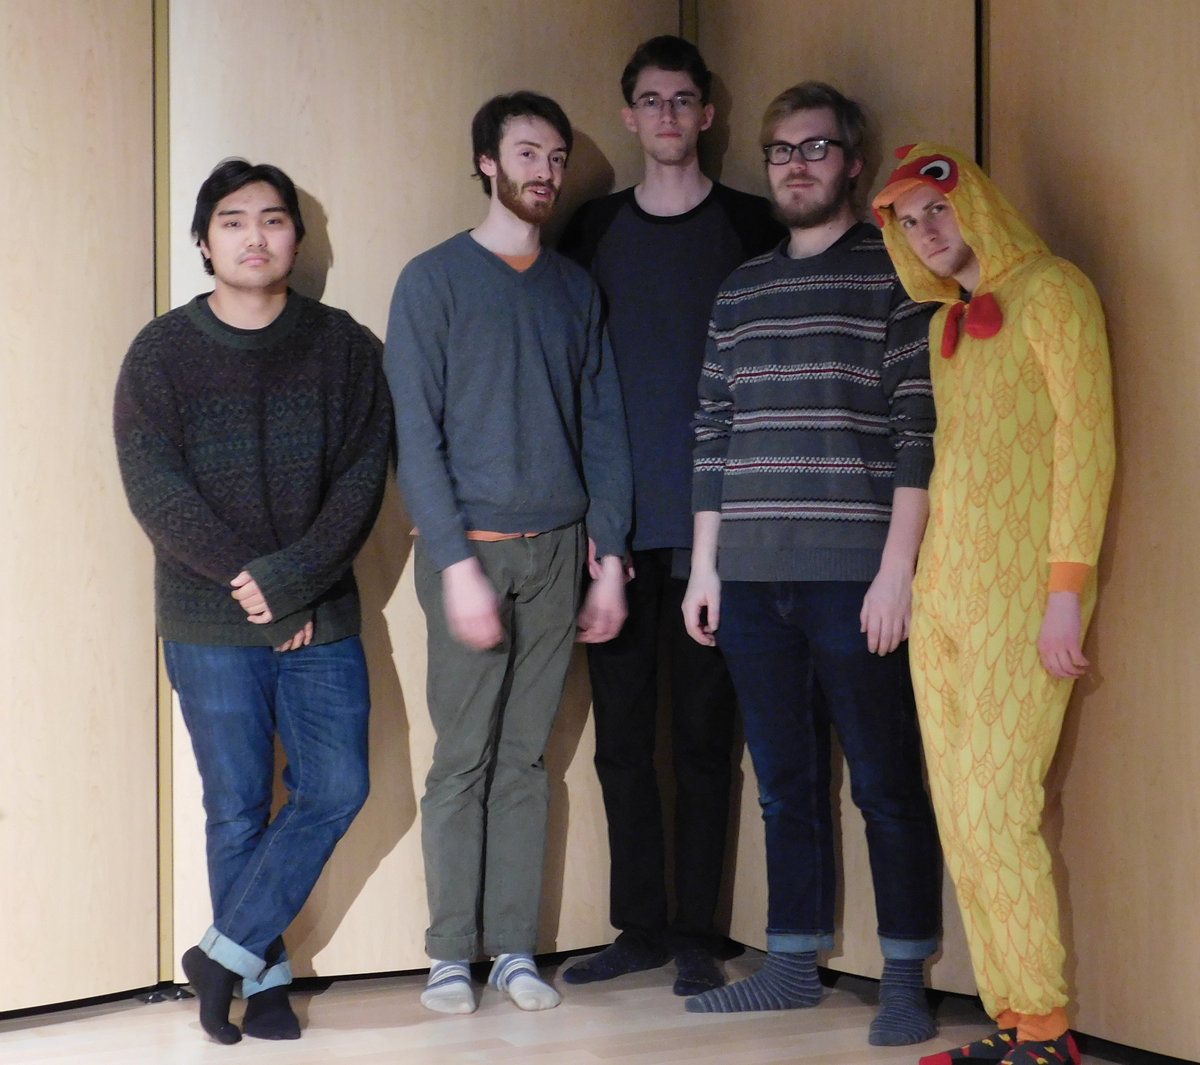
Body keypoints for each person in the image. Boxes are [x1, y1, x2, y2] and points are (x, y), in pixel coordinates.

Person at [681, 82, 943, 1046]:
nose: (796, 164)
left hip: (855, 577)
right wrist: (705, 568)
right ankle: (791, 965)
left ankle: (906, 977)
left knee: (885, 782)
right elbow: (712, 432)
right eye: (782, 150)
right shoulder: (741, 289)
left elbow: (919, 431)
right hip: (750, 577)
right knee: (784, 782)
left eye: (816, 148)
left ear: (853, 164)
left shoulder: (895, 274)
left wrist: (897, 571)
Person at [113, 159, 392, 1045]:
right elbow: (155, 488)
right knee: (234, 803)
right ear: (204, 242)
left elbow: (362, 479)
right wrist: (259, 582)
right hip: (206, 616)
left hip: (322, 609)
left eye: (272, 219)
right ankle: (260, 980)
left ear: (296, 240)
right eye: (232, 221)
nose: (254, 236)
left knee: (336, 785)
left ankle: (222, 955)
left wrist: (296, 578)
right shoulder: (160, 352)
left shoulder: (345, 346)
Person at [384, 91, 632, 1016]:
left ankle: (514, 949)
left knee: (527, 760)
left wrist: (611, 557)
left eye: (556, 156)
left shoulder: (574, 289)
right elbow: (415, 434)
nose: (546, 171)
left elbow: (604, 428)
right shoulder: (432, 280)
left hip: (561, 549)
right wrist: (454, 564)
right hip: (471, 553)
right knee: (462, 759)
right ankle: (451, 953)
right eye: (527, 152)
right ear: (487, 161)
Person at [872, 143, 1115, 1065]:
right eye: (907, 221)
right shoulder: (947, 327)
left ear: (974, 203)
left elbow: (1087, 449)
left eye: (937, 208)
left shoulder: (1056, 291)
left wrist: (1065, 596)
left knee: (999, 808)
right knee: (961, 817)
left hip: (1021, 601)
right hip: (944, 600)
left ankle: (1048, 1029)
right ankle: (1011, 1018)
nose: (926, 230)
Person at [557, 35, 782, 997]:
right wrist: (594, 532)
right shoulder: (593, 228)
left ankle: (698, 931)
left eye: (682, 100)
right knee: (619, 743)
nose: (666, 116)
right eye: (649, 101)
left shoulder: (749, 223)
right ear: (628, 115)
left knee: (701, 740)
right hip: (615, 531)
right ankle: (639, 926)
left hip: (715, 532)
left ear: (707, 114)